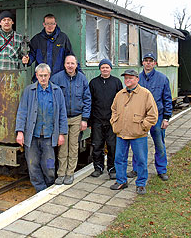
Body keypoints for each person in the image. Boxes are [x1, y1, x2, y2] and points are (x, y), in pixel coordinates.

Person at [15, 63, 68, 192]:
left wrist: (62, 133)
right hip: (32, 136)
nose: (43, 78)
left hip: (49, 137)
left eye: (45, 75)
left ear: (49, 75)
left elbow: (62, 113)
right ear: (36, 76)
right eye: (40, 76)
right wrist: (20, 132)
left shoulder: (57, 91)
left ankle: (49, 184)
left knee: (49, 164)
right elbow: (22, 111)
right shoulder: (29, 91)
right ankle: (40, 189)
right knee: (33, 164)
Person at [110, 69, 158, 195]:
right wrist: (115, 123)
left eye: (130, 78)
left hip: (138, 134)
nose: (127, 80)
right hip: (121, 132)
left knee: (141, 159)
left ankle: (141, 184)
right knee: (119, 158)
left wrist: (143, 126)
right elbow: (114, 109)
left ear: (137, 79)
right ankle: (121, 181)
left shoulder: (145, 94)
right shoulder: (119, 94)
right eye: (126, 78)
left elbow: (153, 115)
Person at [128, 53, 173, 181]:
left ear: (155, 63)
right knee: (138, 144)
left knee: (159, 144)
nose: (148, 63)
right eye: (146, 61)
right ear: (142, 63)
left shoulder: (162, 79)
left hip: (157, 117)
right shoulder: (137, 79)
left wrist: (166, 118)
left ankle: (162, 170)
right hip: (140, 117)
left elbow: (167, 99)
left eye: (150, 61)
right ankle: (137, 169)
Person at [50, 55, 91, 185]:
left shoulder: (82, 79)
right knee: (62, 147)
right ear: (64, 64)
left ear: (76, 65)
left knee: (73, 147)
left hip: (77, 118)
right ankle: (61, 173)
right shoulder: (56, 78)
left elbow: (87, 100)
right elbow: (51, 98)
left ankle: (70, 173)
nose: (70, 66)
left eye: (72, 63)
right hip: (62, 118)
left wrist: (84, 119)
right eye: (68, 63)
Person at [88, 58, 123, 179]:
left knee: (112, 145)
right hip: (97, 120)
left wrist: (119, 118)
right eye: (102, 67)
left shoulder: (116, 82)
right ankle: (98, 168)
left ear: (110, 69)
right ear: (100, 69)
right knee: (97, 145)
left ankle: (112, 169)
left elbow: (121, 102)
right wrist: (89, 120)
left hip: (112, 120)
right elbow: (90, 102)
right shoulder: (93, 83)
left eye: (107, 67)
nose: (105, 69)